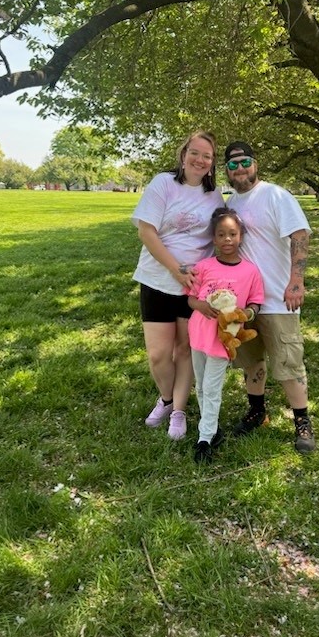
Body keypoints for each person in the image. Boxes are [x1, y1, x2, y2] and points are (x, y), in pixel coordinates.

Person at [132, 131, 225, 441]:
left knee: (184, 350)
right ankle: (167, 400)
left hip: (193, 287)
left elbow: (220, 236)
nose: (200, 160)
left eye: (207, 156)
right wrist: (175, 270)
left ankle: (179, 411)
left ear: (213, 164)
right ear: (183, 154)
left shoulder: (214, 196)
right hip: (157, 279)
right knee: (159, 354)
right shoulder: (163, 183)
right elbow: (147, 232)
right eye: (195, 153)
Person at [225, 140, 316, 453]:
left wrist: (296, 280)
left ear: (255, 164)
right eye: (233, 164)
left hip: (278, 298)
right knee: (251, 361)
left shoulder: (276, 195)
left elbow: (300, 234)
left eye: (245, 161)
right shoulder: (229, 204)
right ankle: (257, 411)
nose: (240, 168)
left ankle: (302, 422)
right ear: (227, 170)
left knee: (289, 363)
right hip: (244, 303)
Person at [187, 207, 265, 464]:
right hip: (199, 333)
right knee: (200, 385)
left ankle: (205, 438)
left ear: (241, 236)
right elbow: (190, 298)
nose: (227, 239)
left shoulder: (250, 271)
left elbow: (255, 303)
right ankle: (212, 427)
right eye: (221, 234)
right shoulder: (204, 266)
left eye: (232, 234)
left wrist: (245, 315)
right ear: (214, 238)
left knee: (211, 388)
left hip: (223, 338)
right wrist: (199, 305)